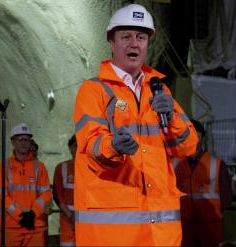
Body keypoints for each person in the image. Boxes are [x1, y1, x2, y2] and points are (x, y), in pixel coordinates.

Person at [72, 3, 198, 246]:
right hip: (114, 233)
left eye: (141, 37)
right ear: (112, 42)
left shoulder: (160, 90)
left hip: (161, 231)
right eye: (126, 36)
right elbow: (91, 147)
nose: (134, 43)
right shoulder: (94, 90)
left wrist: (171, 118)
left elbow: (187, 147)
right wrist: (113, 147)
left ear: (148, 43)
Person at [174, 119, 233, 246]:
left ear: (204, 138)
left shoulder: (217, 164)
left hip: (211, 227)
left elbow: (227, 199)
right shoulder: (175, 164)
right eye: (188, 134)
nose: (192, 138)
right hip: (184, 226)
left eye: (197, 134)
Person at [0, 123, 52, 246]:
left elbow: (46, 194)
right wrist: (20, 216)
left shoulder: (39, 166)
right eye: (20, 139)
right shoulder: (4, 166)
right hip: (11, 227)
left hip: (35, 226)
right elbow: (2, 195)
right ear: (13, 141)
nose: (23, 143)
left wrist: (33, 213)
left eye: (26, 139)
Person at [53, 135, 77, 247]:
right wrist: (70, 215)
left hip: (86, 219)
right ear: (70, 147)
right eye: (75, 146)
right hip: (67, 219)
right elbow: (58, 195)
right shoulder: (61, 167)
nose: (78, 149)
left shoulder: (92, 168)